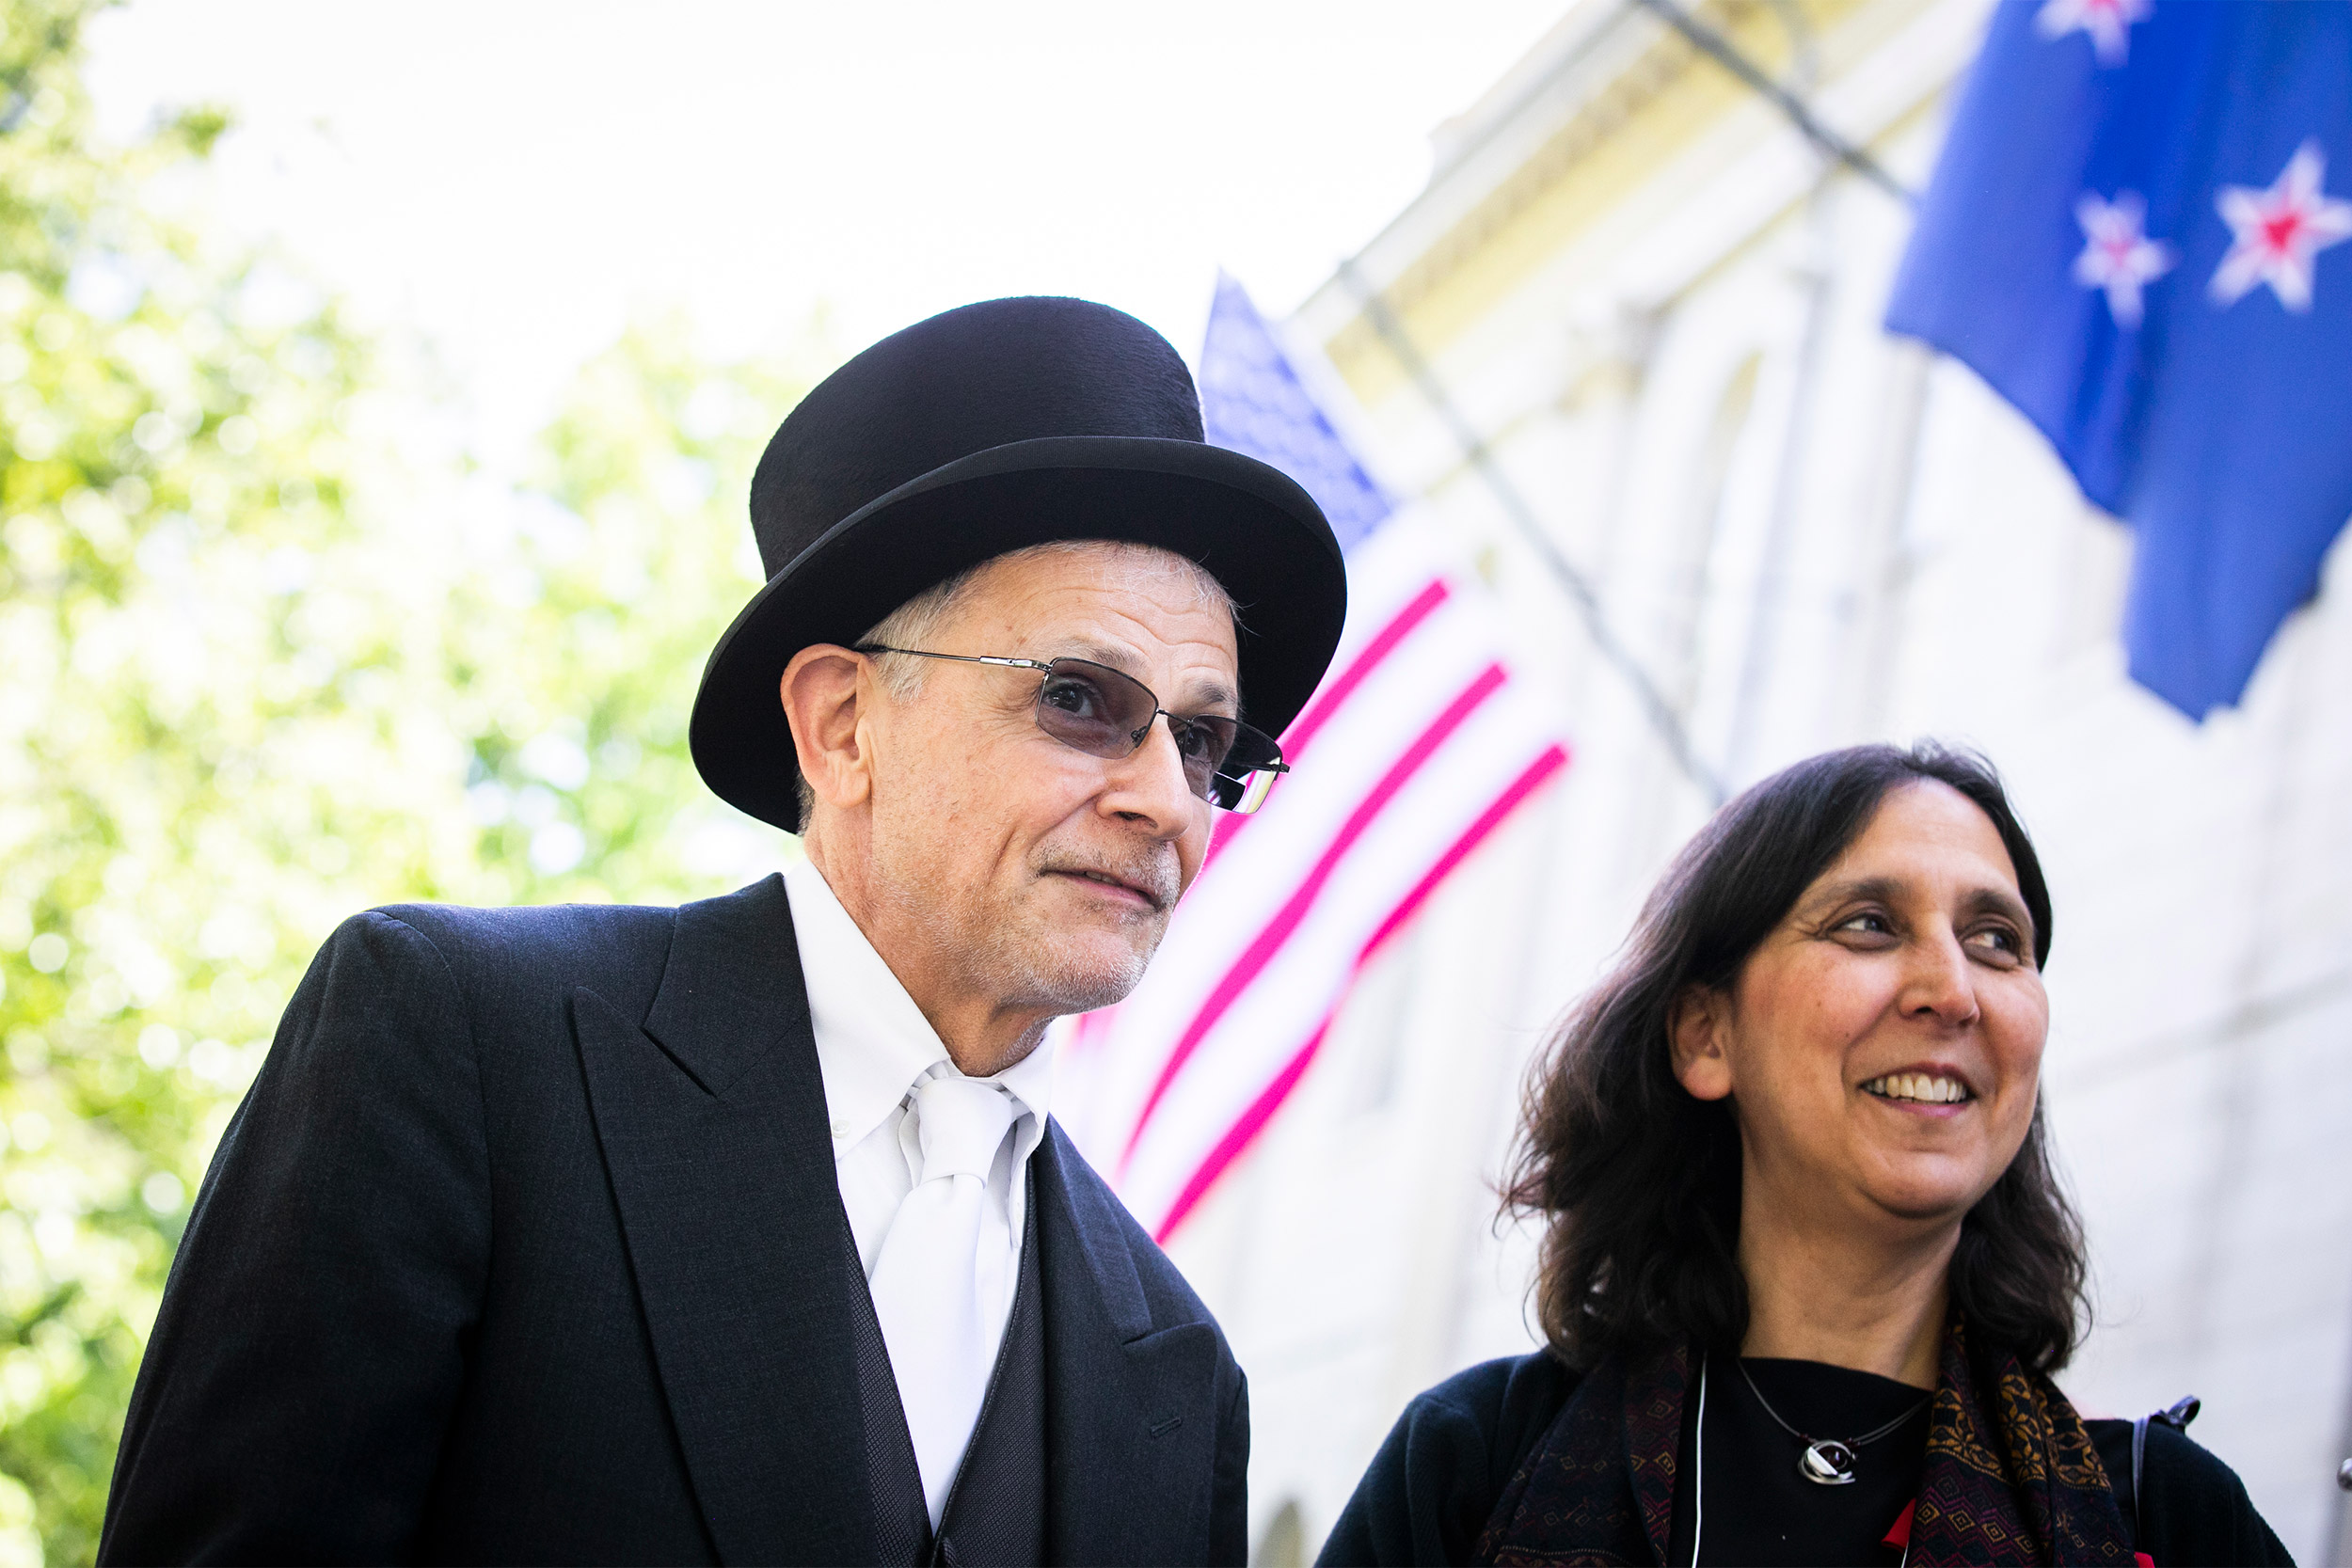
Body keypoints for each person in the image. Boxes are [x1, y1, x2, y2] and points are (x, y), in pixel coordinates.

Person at [100, 296, 1348, 1566]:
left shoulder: (1180, 1366)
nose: (1164, 796)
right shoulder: (460, 1048)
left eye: (1203, 739)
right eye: (1083, 698)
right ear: (844, 723)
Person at [1321, 743, 2288, 1567]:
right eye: (1869, 922)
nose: (1952, 990)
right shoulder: (1476, 1464)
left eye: (1996, 939)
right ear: (1704, 1033)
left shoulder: (2163, 1520)